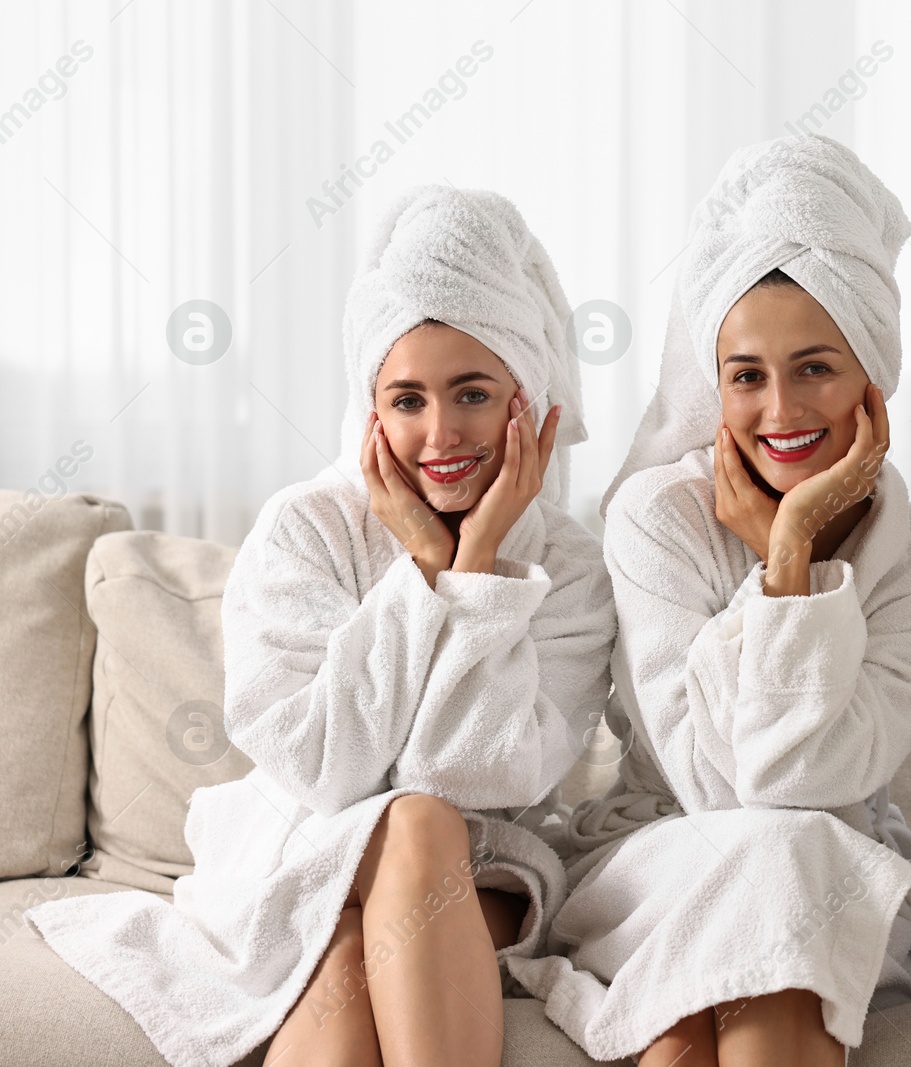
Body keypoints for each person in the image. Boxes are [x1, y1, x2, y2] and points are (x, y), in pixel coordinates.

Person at [28, 185, 616, 1067]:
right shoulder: (307, 528)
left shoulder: (567, 565)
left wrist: (477, 564)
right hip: (296, 842)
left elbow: (470, 775)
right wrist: (423, 571)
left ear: (525, 403)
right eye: (408, 398)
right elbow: (321, 767)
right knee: (390, 861)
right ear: (370, 408)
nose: (441, 431)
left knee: (395, 871)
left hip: (482, 861)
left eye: (472, 393)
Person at [512, 134, 911, 1067]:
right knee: (769, 882)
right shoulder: (655, 520)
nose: (781, 411)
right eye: (747, 376)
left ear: (873, 379)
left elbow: (797, 791)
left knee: (707, 1007)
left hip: (834, 864)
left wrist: (787, 553)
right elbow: (721, 792)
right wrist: (788, 572)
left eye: (816, 367)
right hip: (662, 859)